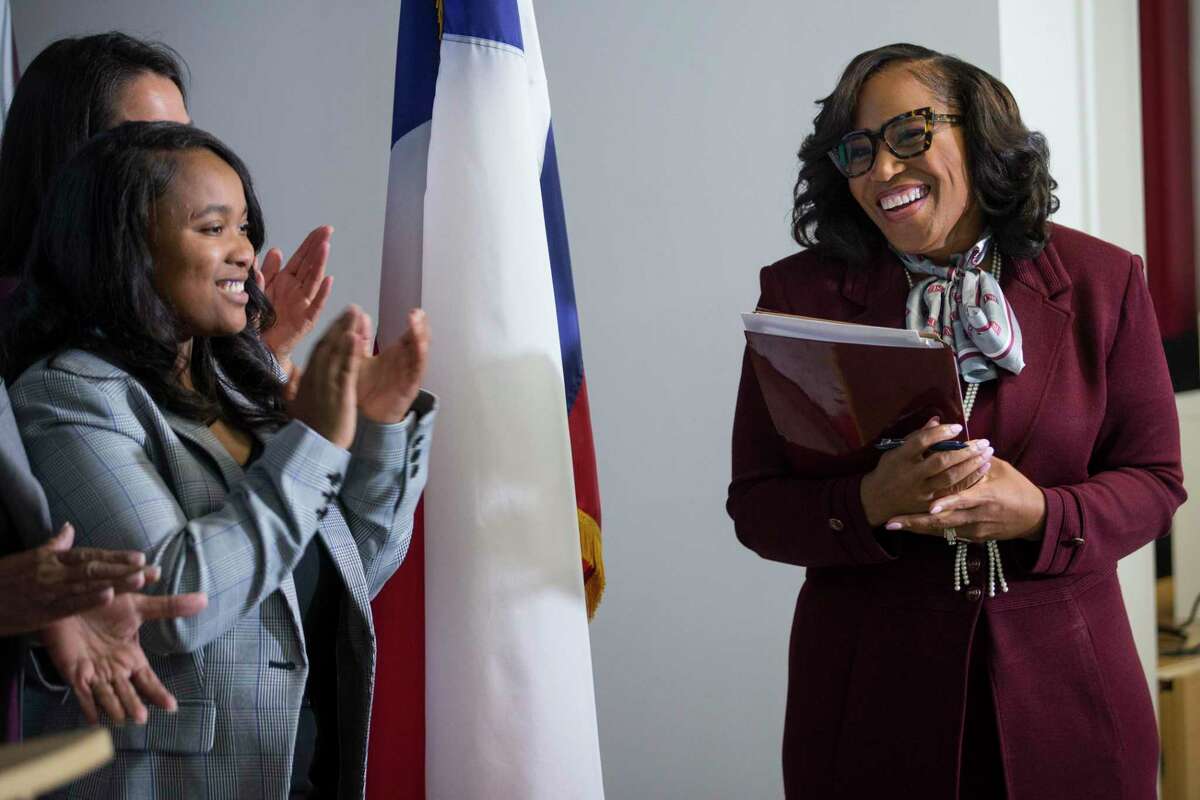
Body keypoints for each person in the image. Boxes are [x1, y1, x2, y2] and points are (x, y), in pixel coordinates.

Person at [727, 43, 1184, 800]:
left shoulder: (1105, 281)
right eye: (859, 150)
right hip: (865, 708)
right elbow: (757, 505)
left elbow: (1156, 482)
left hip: (1070, 700)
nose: (882, 170)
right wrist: (868, 504)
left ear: (980, 133)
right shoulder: (799, 297)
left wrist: (1042, 511)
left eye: (911, 134)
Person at [3, 121, 435, 799]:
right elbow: (176, 600)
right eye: (213, 229)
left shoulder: (238, 380)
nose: (244, 252)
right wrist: (315, 443)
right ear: (128, 250)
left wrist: (376, 428)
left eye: (244, 226)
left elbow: (353, 578)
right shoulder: (71, 394)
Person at [0, 31, 333, 375]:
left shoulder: (184, 329)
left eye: (187, 136)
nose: (189, 158)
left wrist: (264, 356)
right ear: (80, 166)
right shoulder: (60, 372)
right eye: (154, 140)